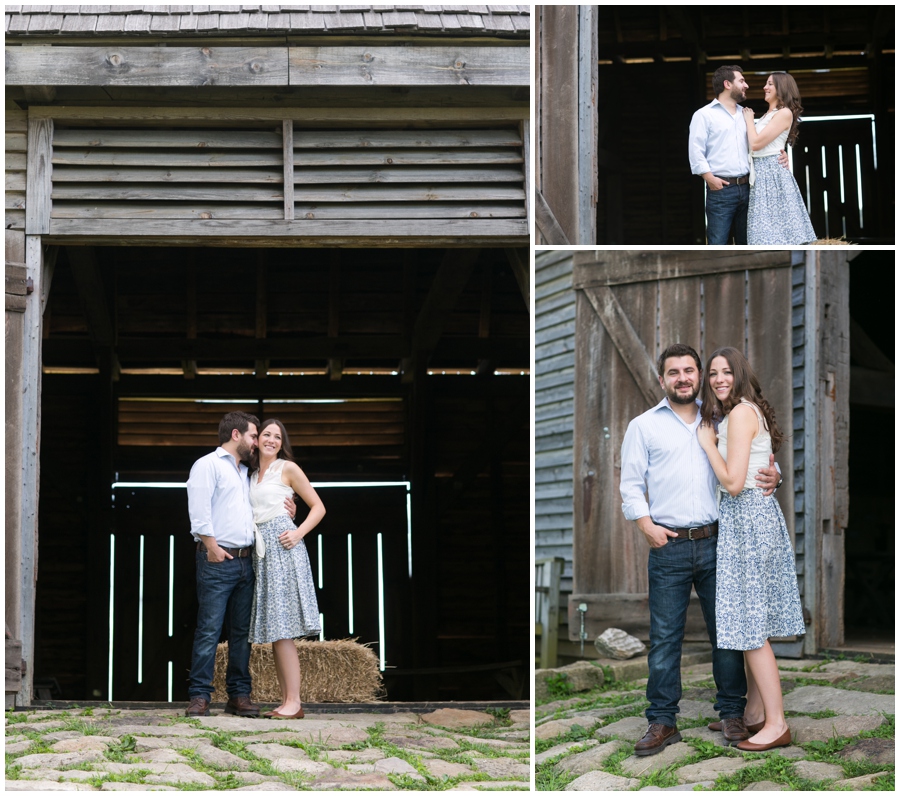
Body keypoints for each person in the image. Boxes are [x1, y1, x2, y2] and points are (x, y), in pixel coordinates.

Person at [620, 343, 780, 756]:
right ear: (662, 380)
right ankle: (662, 721)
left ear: (699, 376)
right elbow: (631, 483)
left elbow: (755, 455)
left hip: (717, 541)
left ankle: (732, 712)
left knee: (726, 632)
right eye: (674, 372)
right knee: (665, 637)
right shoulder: (644, 426)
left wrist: (773, 474)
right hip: (669, 544)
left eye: (690, 370)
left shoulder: (721, 418)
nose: (684, 378)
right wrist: (644, 524)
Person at [697, 347, 805, 751]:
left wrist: (707, 443)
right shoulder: (741, 412)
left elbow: (734, 483)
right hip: (754, 521)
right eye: (713, 373)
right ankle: (757, 713)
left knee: (750, 626)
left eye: (726, 372)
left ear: (740, 375)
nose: (719, 379)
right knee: (751, 620)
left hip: (748, 522)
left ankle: (777, 724)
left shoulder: (740, 413)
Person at [185, 411, 295, 718]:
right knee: (209, 630)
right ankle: (199, 696)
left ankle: (238, 695)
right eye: (253, 436)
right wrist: (211, 547)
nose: (257, 442)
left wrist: (290, 509)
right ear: (236, 436)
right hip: (218, 559)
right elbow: (199, 509)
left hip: (248, 562)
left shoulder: (246, 472)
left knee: (241, 633)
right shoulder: (208, 465)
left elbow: (265, 504)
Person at [249, 418, 325, 719]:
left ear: (282, 443)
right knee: (275, 631)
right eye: (265, 434)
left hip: (283, 546)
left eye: (277, 436)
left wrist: (298, 532)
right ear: (256, 440)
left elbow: (318, 507)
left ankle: (294, 701)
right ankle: (286, 701)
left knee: (283, 630)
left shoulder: (287, 468)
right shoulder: (250, 473)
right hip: (261, 552)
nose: (271, 440)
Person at [688, 65, 788, 245]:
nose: (746, 85)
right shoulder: (704, 115)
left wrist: (781, 154)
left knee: (749, 242)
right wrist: (709, 178)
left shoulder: (747, 114)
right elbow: (695, 151)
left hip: (750, 188)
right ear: (727, 84)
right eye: (741, 81)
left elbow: (760, 142)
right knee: (718, 242)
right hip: (721, 189)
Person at [744, 72, 816, 244]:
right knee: (762, 233)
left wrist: (748, 120)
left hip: (772, 175)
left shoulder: (784, 113)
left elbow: (755, 143)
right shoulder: (768, 115)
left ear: (781, 88)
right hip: (761, 174)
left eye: (770, 84)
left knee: (779, 232)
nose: (764, 87)